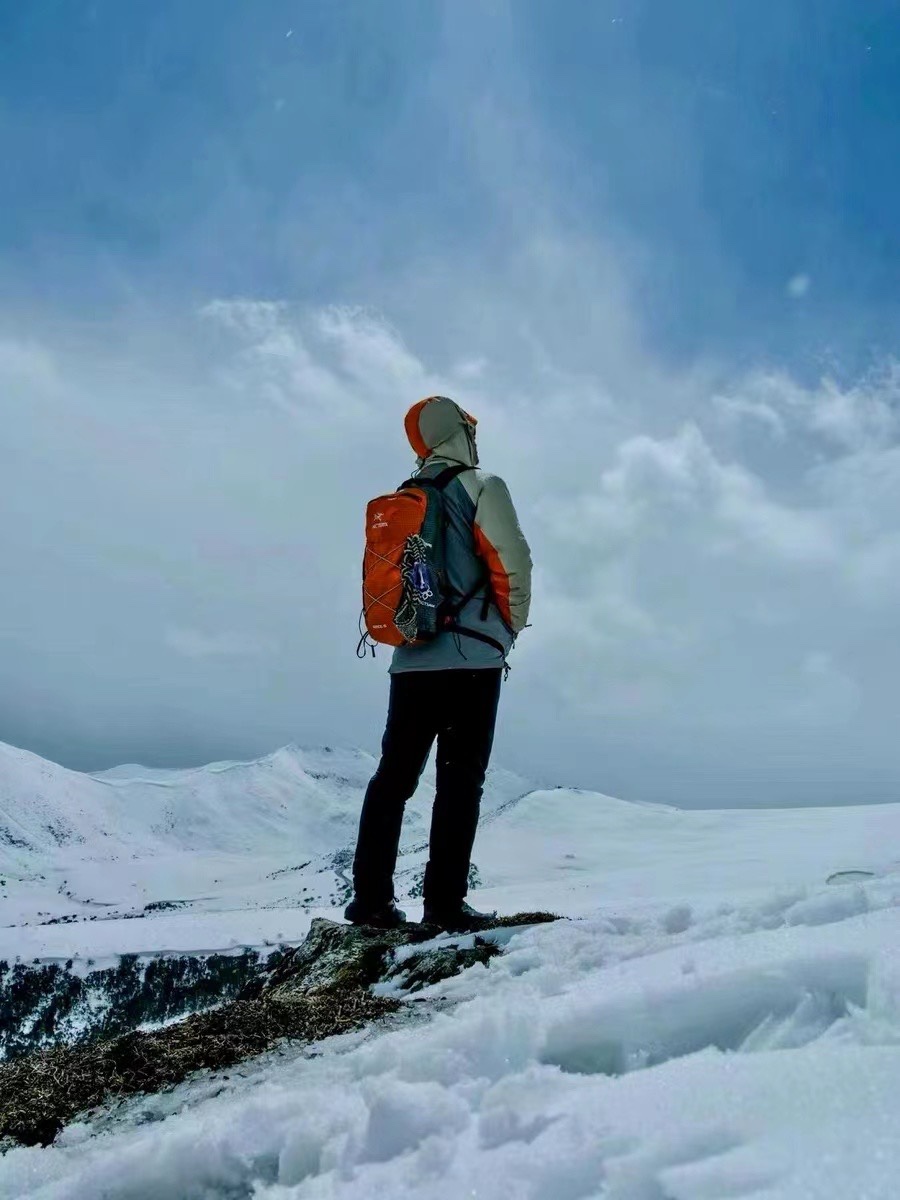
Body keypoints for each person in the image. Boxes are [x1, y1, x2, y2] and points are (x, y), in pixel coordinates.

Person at [345, 396, 532, 932]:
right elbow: (512, 562)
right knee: (459, 783)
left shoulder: (406, 497)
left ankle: (371, 902)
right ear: (460, 433)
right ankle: (444, 905)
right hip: (473, 659)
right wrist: (509, 628)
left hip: (410, 660)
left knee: (393, 779)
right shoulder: (482, 486)